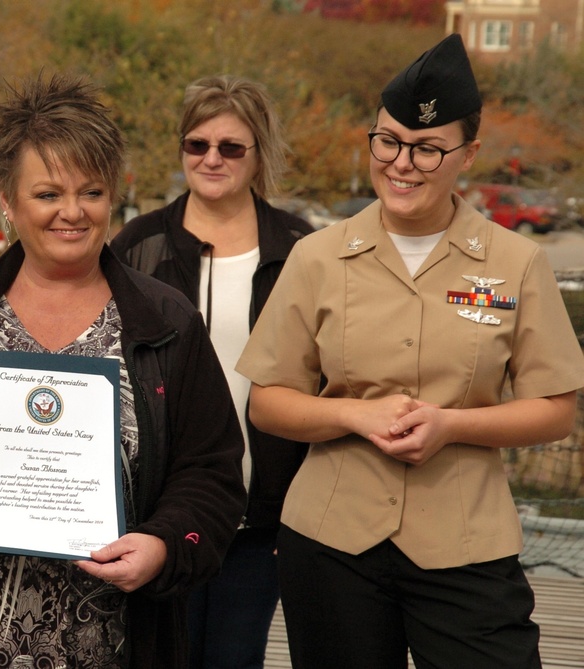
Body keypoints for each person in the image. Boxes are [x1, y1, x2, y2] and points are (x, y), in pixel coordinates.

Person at [0, 73, 246, 669]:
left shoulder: (165, 321)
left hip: (111, 646)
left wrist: (164, 545)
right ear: (8, 203)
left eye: (91, 192)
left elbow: (211, 472)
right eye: (47, 195)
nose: (72, 212)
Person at [238, 34, 584, 669]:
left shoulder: (517, 262)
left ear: (468, 154)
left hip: (466, 540)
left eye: (427, 149)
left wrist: (453, 425)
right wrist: (353, 415)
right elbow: (268, 403)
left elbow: (556, 410)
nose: (402, 164)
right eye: (388, 142)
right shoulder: (317, 256)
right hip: (332, 542)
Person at [110, 74, 313, 669]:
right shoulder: (138, 246)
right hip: (155, 510)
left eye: (231, 147)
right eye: (196, 145)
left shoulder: (303, 251)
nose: (211, 158)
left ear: (259, 155)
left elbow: (331, 381)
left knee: (233, 656)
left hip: (262, 514)